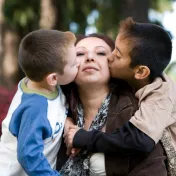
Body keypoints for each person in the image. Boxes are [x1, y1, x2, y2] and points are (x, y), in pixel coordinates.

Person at [64, 18, 176, 175]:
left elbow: (140, 140)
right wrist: (65, 119)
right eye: (80, 53)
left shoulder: (158, 96)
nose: (110, 57)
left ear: (140, 72)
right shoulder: (56, 106)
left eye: (103, 53)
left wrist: (86, 138)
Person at [0, 29, 80, 176]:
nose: (79, 64)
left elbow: (57, 108)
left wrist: (66, 120)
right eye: (74, 64)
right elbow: (28, 155)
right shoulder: (34, 108)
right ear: (53, 78)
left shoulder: (43, 84)